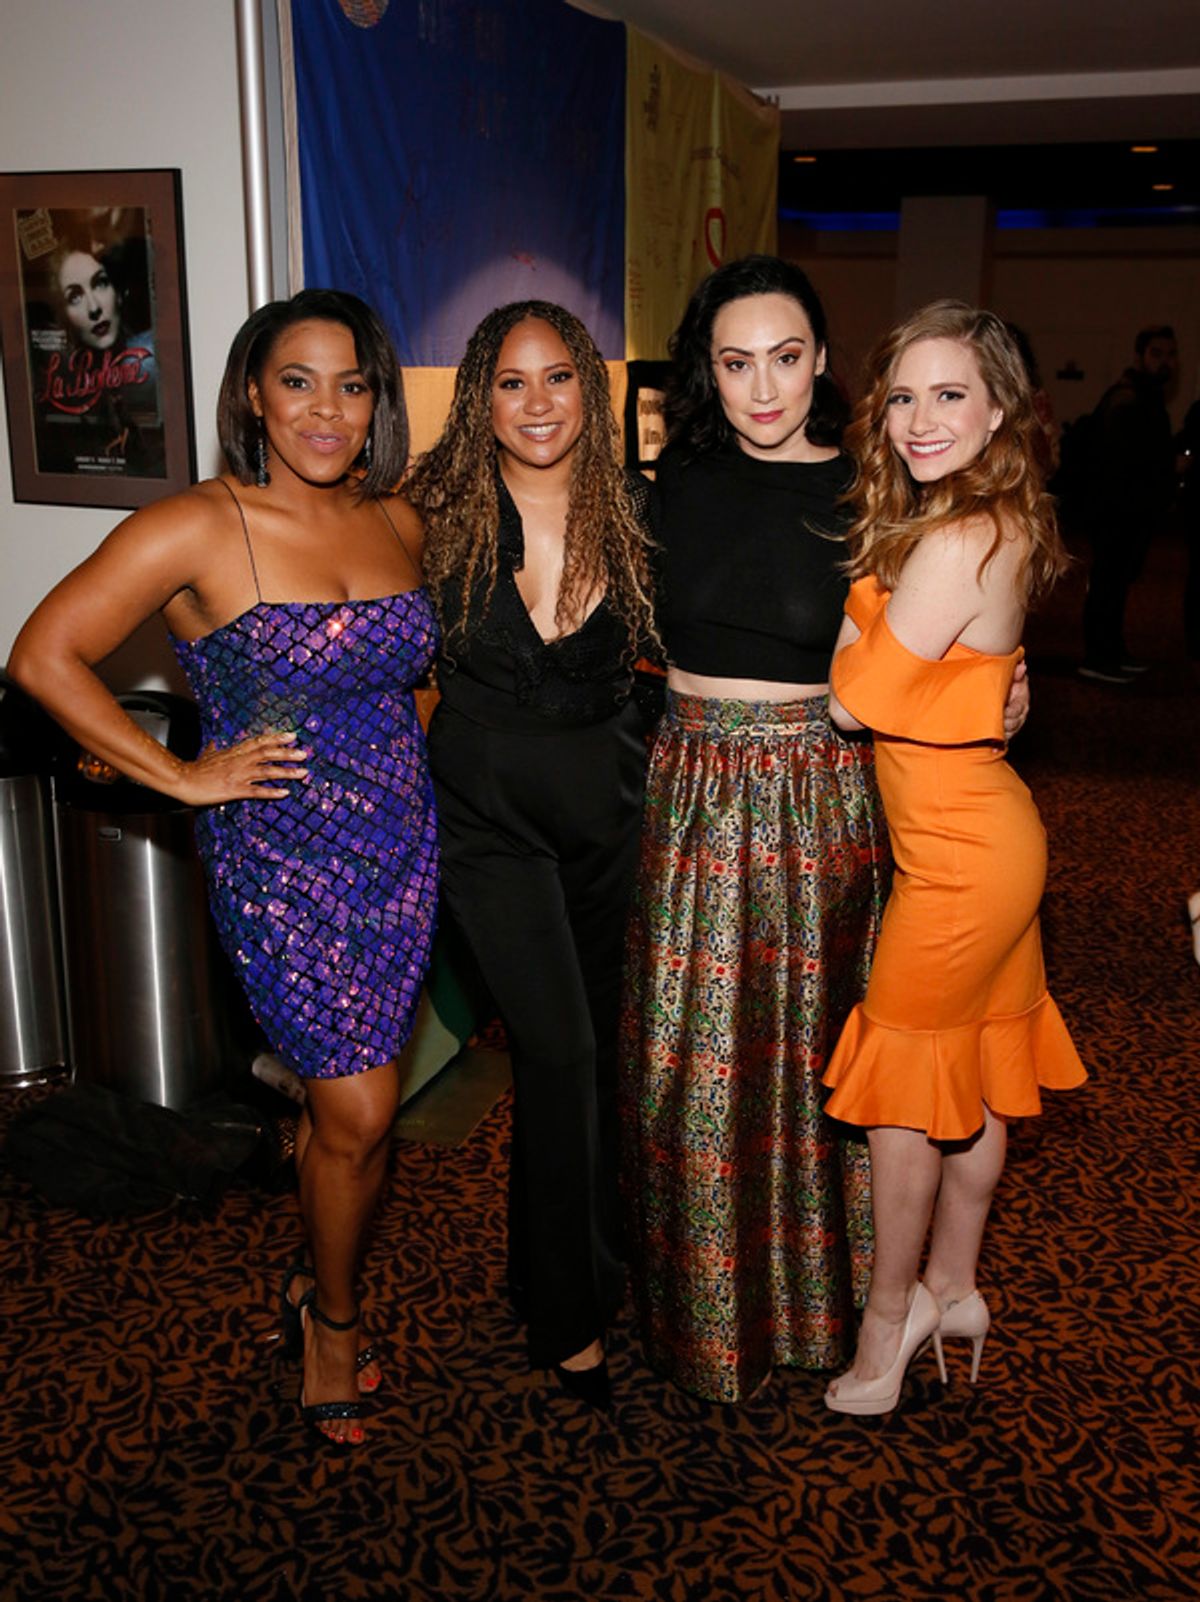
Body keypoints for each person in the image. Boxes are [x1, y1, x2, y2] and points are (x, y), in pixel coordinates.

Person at [8, 288, 439, 1447]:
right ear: (253, 394)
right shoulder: (198, 525)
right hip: (283, 858)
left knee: (358, 1117)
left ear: (376, 403)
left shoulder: (399, 522)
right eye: (298, 382)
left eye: (352, 385)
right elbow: (44, 653)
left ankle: (316, 1274)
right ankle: (333, 1322)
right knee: (362, 1104)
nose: (326, 410)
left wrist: (408, 770)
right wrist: (184, 777)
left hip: (401, 853)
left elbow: (414, 677)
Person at [618, 255, 894, 1406]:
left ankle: (827, 1309)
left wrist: (1008, 689)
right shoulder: (670, 482)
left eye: (786, 358)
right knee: (684, 1064)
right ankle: (703, 1322)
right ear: (708, 371)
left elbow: (941, 636)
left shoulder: (874, 492)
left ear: (822, 359)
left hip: (818, 795)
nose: (765, 388)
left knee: (813, 1061)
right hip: (687, 789)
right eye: (737, 364)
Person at [822, 301, 1087, 1416]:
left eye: (949, 395)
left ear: (998, 414)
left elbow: (852, 701)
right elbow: (950, 679)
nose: (920, 419)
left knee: (903, 1091)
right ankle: (955, 1285)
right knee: (979, 1070)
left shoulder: (952, 535)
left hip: (960, 863)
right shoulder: (999, 518)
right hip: (992, 834)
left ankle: (888, 1328)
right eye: (902, 397)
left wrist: (861, 609)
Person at [404, 300, 657, 1409]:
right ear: (481, 399)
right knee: (555, 1051)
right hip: (488, 821)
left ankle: (563, 1261)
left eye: (558, 377)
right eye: (513, 382)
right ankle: (569, 1315)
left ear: (589, 391)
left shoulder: (638, 511)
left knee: (598, 1053)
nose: (538, 402)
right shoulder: (431, 517)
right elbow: (325, 607)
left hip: (610, 811)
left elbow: (738, 625)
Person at [1075, 325, 1178, 683]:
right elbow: (1118, 462)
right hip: (1116, 512)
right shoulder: (1127, 400)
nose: (1165, 362)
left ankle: (1114, 651)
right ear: (1140, 357)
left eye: (1170, 354)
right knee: (1107, 584)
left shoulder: (1145, 398)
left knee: (1117, 586)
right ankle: (1098, 657)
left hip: (1130, 511)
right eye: (1156, 354)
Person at [28, 212, 162, 477]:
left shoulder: (152, 361)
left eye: (100, 284)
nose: (94, 308)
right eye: (75, 297)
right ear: (63, 314)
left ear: (119, 292)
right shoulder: (56, 385)